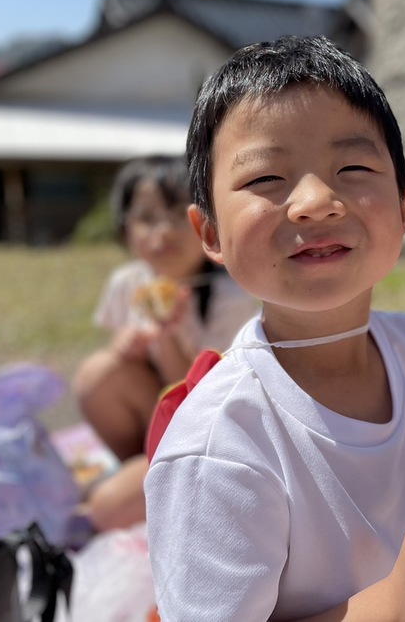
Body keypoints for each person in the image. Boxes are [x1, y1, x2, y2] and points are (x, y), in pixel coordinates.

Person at [144, 35, 405, 621]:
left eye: (353, 167)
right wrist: (403, 598)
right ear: (209, 234)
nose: (316, 201)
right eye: (265, 179)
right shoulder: (220, 447)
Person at [72, 154, 259, 531]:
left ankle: (158, 478)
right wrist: (127, 348)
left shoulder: (230, 295)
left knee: (103, 510)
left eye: (176, 217)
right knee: (98, 372)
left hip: (204, 430)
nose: (162, 233)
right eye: (146, 218)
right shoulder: (129, 282)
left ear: (205, 224)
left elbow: (201, 398)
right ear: (125, 229)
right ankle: (134, 465)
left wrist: (169, 333)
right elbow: (123, 371)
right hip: (152, 413)